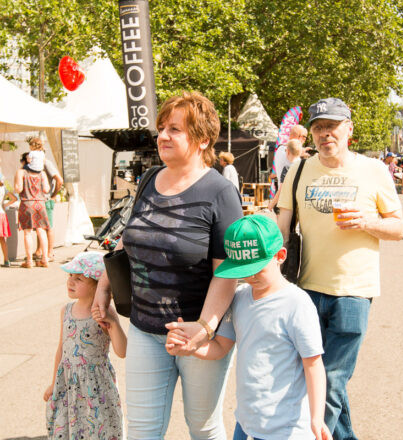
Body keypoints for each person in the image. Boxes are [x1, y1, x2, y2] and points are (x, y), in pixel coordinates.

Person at [93, 91, 243, 439]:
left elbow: (227, 271)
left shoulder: (220, 193)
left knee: (203, 427)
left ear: (203, 138)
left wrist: (204, 328)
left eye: (175, 129)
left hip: (197, 332)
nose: (162, 136)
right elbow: (128, 240)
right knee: (143, 430)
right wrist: (104, 287)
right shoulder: (148, 180)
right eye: (161, 127)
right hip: (145, 331)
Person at [277, 97, 403, 440]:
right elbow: (282, 225)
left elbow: (398, 228)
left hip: (354, 292)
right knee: (322, 378)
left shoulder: (373, 170)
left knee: (331, 378)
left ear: (349, 129)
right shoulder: (299, 170)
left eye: (331, 126)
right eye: (318, 127)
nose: (324, 134)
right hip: (306, 288)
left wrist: (366, 221)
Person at [166, 215, 332, 440]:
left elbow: (313, 364)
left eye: (257, 268)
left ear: (280, 256)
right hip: (246, 423)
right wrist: (190, 346)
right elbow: (221, 347)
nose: (250, 276)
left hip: (287, 430)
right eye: (242, 269)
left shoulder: (297, 304)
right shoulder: (240, 297)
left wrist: (316, 417)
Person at [44, 252, 126, 439]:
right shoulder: (66, 311)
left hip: (96, 386)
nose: (70, 282)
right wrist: (53, 383)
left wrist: (113, 323)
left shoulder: (103, 312)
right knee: (69, 427)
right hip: (68, 383)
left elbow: (122, 351)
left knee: (99, 427)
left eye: (78, 278)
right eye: (70, 276)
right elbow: (61, 350)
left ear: (98, 285)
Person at [29, 137, 64, 262]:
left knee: (48, 226)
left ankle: (50, 253)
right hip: (38, 199)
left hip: (46, 199)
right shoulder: (36, 164)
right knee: (40, 226)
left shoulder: (46, 163)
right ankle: (40, 251)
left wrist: (53, 195)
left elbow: (59, 180)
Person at [14, 154, 50, 268]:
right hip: (40, 203)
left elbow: (18, 188)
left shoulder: (21, 172)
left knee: (27, 232)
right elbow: (46, 189)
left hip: (27, 203)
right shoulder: (42, 173)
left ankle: (29, 261)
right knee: (41, 231)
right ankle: (45, 259)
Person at [268, 139, 302, 211]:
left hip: (288, 204)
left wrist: (272, 204)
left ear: (288, 151)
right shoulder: (303, 165)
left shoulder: (287, 168)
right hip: (301, 203)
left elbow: (281, 190)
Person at [0, 172, 18, 267]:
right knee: (2, 239)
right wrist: (5, 205)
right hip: (2, 214)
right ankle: (6, 260)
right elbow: (14, 198)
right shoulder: (4, 188)